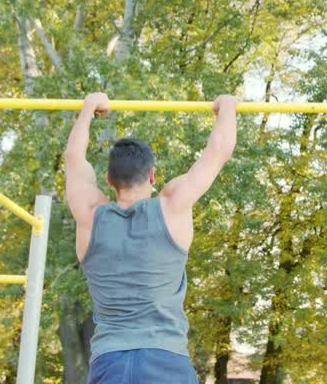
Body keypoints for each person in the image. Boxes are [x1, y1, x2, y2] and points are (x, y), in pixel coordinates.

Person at [64, 92, 238, 384]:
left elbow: (73, 159)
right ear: (152, 176)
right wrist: (228, 106)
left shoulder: (89, 216)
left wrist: (88, 108)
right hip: (165, 359)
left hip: (110, 363)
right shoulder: (173, 206)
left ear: (108, 180)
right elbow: (219, 151)